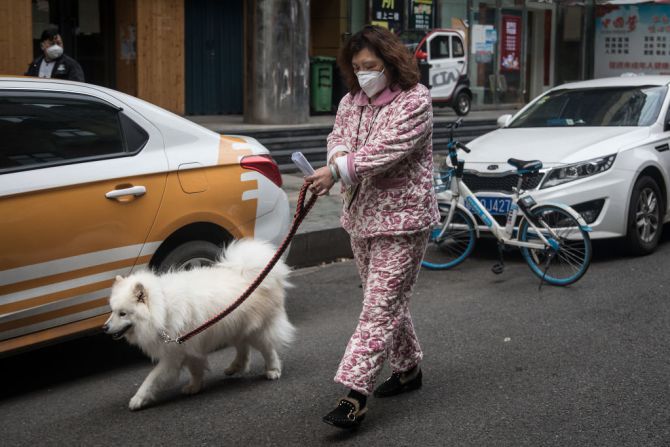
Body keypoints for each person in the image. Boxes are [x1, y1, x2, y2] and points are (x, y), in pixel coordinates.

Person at [305, 25, 440, 429]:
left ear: (390, 62)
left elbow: (385, 152)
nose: (364, 73)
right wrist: (338, 155)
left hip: (404, 221)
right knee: (386, 302)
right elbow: (338, 137)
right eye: (357, 66)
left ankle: (354, 395)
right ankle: (409, 369)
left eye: (371, 65)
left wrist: (335, 170)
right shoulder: (351, 102)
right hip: (361, 218)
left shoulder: (415, 101)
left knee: (378, 308)